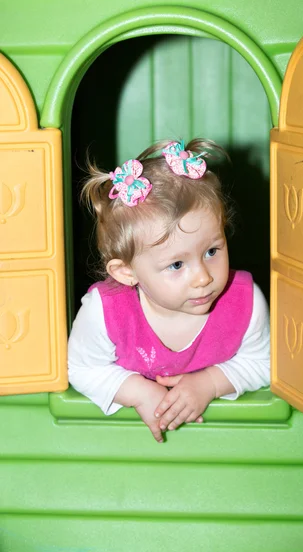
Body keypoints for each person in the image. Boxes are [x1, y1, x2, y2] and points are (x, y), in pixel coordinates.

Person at [68, 138, 270, 442]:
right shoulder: (105, 311)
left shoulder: (245, 301)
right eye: (176, 265)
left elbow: (263, 362)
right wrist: (139, 393)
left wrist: (210, 384)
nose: (203, 277)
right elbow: (80, 369)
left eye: (212, 251)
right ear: (126, 272)